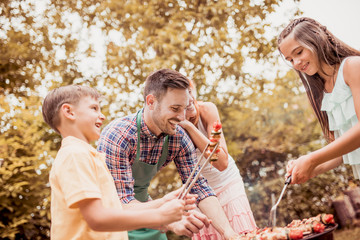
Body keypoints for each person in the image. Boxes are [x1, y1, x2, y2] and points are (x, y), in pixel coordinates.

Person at [97, 69, 239, 240]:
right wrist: (166, 217)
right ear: (151, 102)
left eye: (185, 109)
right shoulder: (119, 136)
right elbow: (121, 202)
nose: (181, 118)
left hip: (148, 209)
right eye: (174, 109)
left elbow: (199, 187)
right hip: (111, 217)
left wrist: (228, 232)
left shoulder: (177, 137)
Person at [42, 85, 196, 240]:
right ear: (69, 112)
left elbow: (117, 210)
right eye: (94, 108)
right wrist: (160, 216)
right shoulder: (75, 155)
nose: (102, 116)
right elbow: (97, 219)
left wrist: (162, 203)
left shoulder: (90, 156)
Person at [277, 17, 360, 184]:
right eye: (290, 60)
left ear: (317, 40)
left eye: (299, 52)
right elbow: (342, 151)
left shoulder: (353, 67)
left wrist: (311, 159)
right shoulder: (320, 94)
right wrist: (308, 170)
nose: (296, 63)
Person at [179, 81, 257, 239]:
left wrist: (189, 127)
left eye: (191, 103)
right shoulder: (171, 127)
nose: (193, 112)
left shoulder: (208, 110)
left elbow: (221, 161)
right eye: (184, 109)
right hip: (200, 191)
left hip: (227, 183)